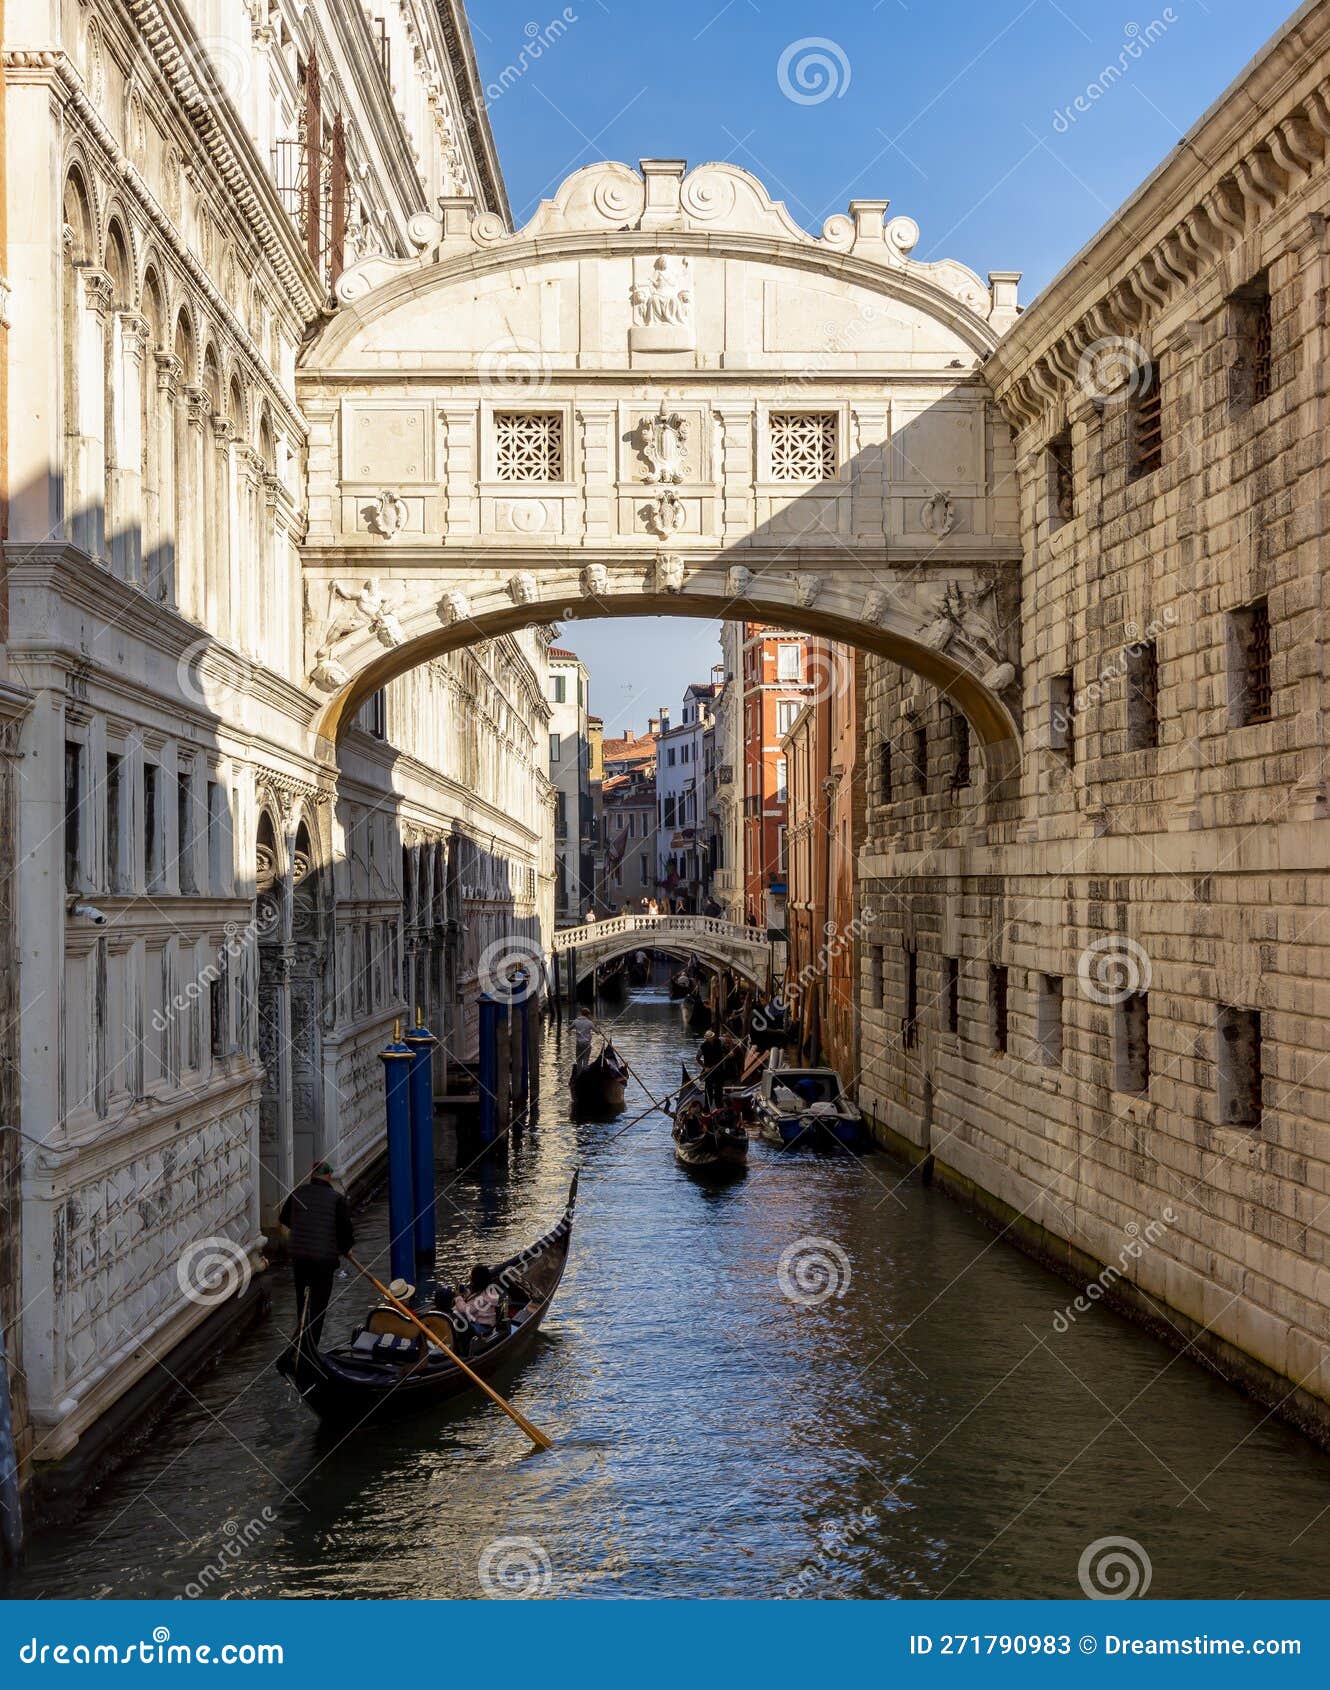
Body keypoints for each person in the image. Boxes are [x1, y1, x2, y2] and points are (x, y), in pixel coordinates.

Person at [279, 1161, 354, 1346]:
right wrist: (345, 1248)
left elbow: (285, 1220)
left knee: (302, 1302)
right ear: (329, 1177)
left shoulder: (297, 1194)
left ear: (312, 1176)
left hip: (300, 1259)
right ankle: (310, 1347)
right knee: (318, 1306)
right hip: (323, 1261)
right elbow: (345, 1231)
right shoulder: (337, 1199)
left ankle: (301, 1344)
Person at [698, 1028, 728, 1108]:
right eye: (709, 1038)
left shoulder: (719, 1042)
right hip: (709, 1070)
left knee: (719, 1089)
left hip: (719, 1068)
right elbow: (698, 1058)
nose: (711, 1038)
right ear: (707, 1039)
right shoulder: (703, 1046)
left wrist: (729, 1053)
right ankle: (707, 1108)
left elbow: (727, 1043)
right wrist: (705, 1067)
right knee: (709, 1090)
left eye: (712, 1037)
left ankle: (719, 1107)